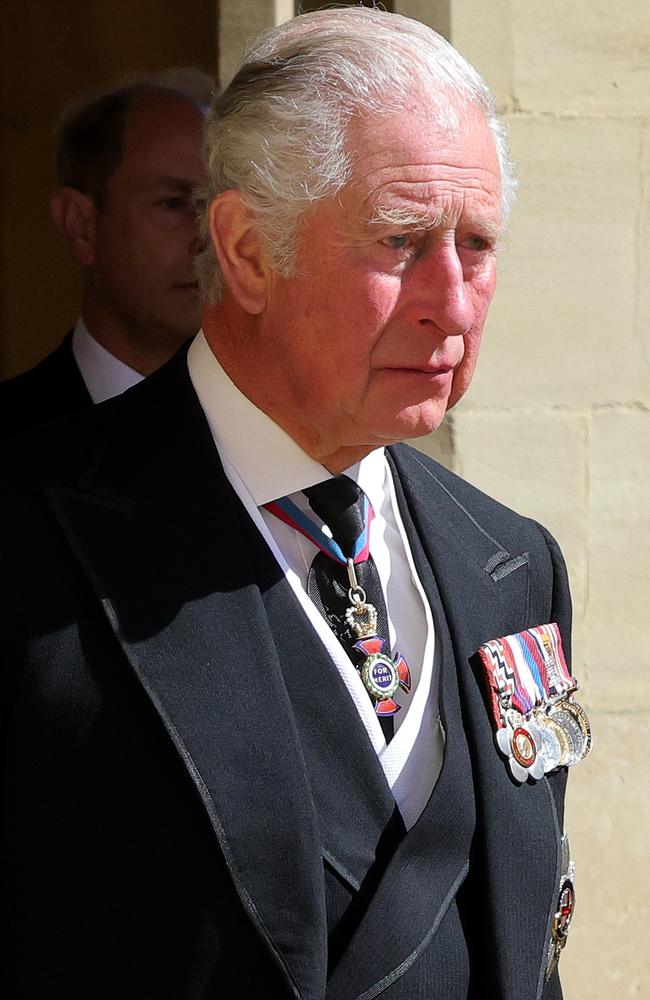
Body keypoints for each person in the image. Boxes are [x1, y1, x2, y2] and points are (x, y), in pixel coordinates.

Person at [1, 9, 586, 999]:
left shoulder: (508, 562)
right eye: (401, 241)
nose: (452, 300)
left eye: (476, 243)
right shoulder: (29, 537)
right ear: (244, 249)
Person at [0, 71, 210, 436]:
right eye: (175, 204)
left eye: (222, 207)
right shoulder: (12, 437)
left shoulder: (292, 433)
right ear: (80, 225)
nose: (211, 236)